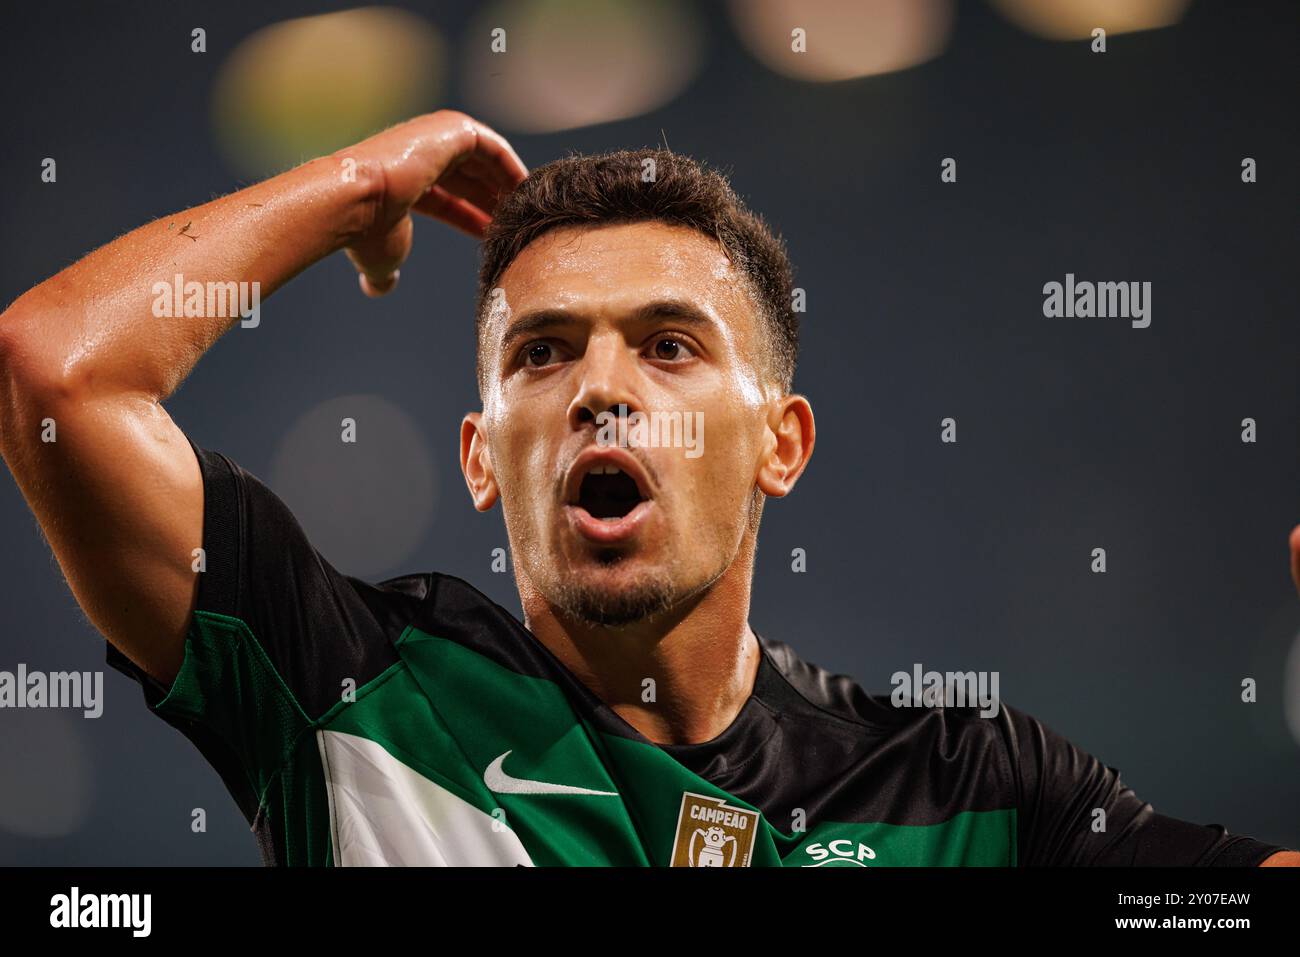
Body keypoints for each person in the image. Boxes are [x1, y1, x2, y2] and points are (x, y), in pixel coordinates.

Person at [0, 110, 1295, 866]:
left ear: (781, 443)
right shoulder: (353, 688)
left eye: (669, 345)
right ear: (478, 454)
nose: (598, 389)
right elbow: (56, 377)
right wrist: (356, 187)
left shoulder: (972, 791)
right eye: (543, 352)